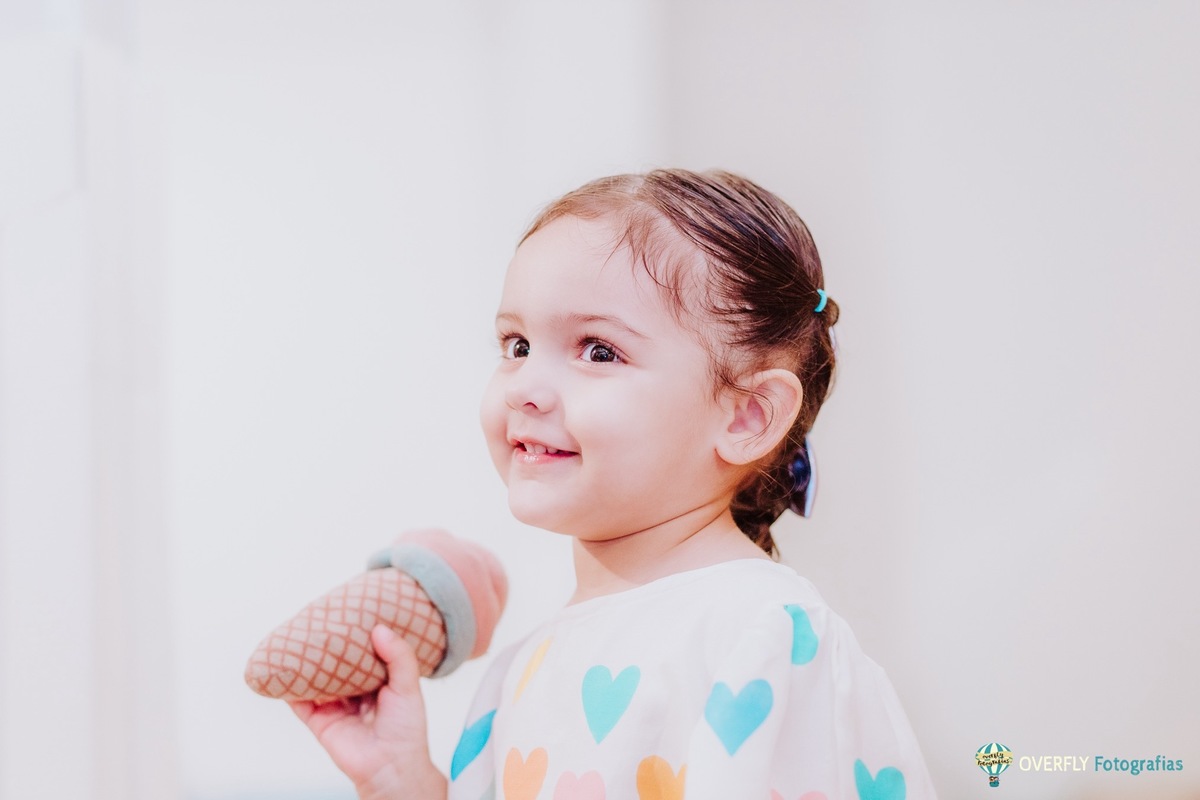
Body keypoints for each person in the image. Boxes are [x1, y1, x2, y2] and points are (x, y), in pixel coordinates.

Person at [291, 169, 937, 799]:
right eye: (515, 345)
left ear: (747, 415)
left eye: (598, 350)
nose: (524, 387)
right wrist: (401, 785)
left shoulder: (761, 636)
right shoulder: (520, 670)